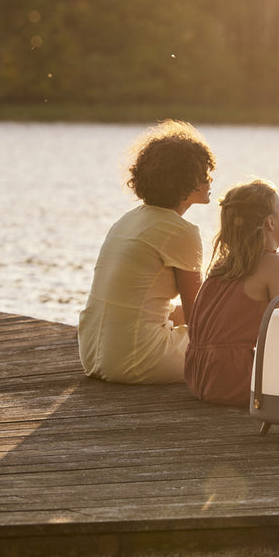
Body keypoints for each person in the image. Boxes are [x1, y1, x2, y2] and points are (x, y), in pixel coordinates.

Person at [78, 120, 216, 384]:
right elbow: (198, 316)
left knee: (182, 316)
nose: (210, 179)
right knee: (229, 335)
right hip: (138, 359)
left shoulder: (128, 219)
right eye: (205, 173)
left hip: (94, 354)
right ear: (186, 182)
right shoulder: (180, 231)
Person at [185, 179, 279, 406]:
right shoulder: (274, 265)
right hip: (236, 378)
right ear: (270, 223)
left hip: (199, 375)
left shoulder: (223, 265)